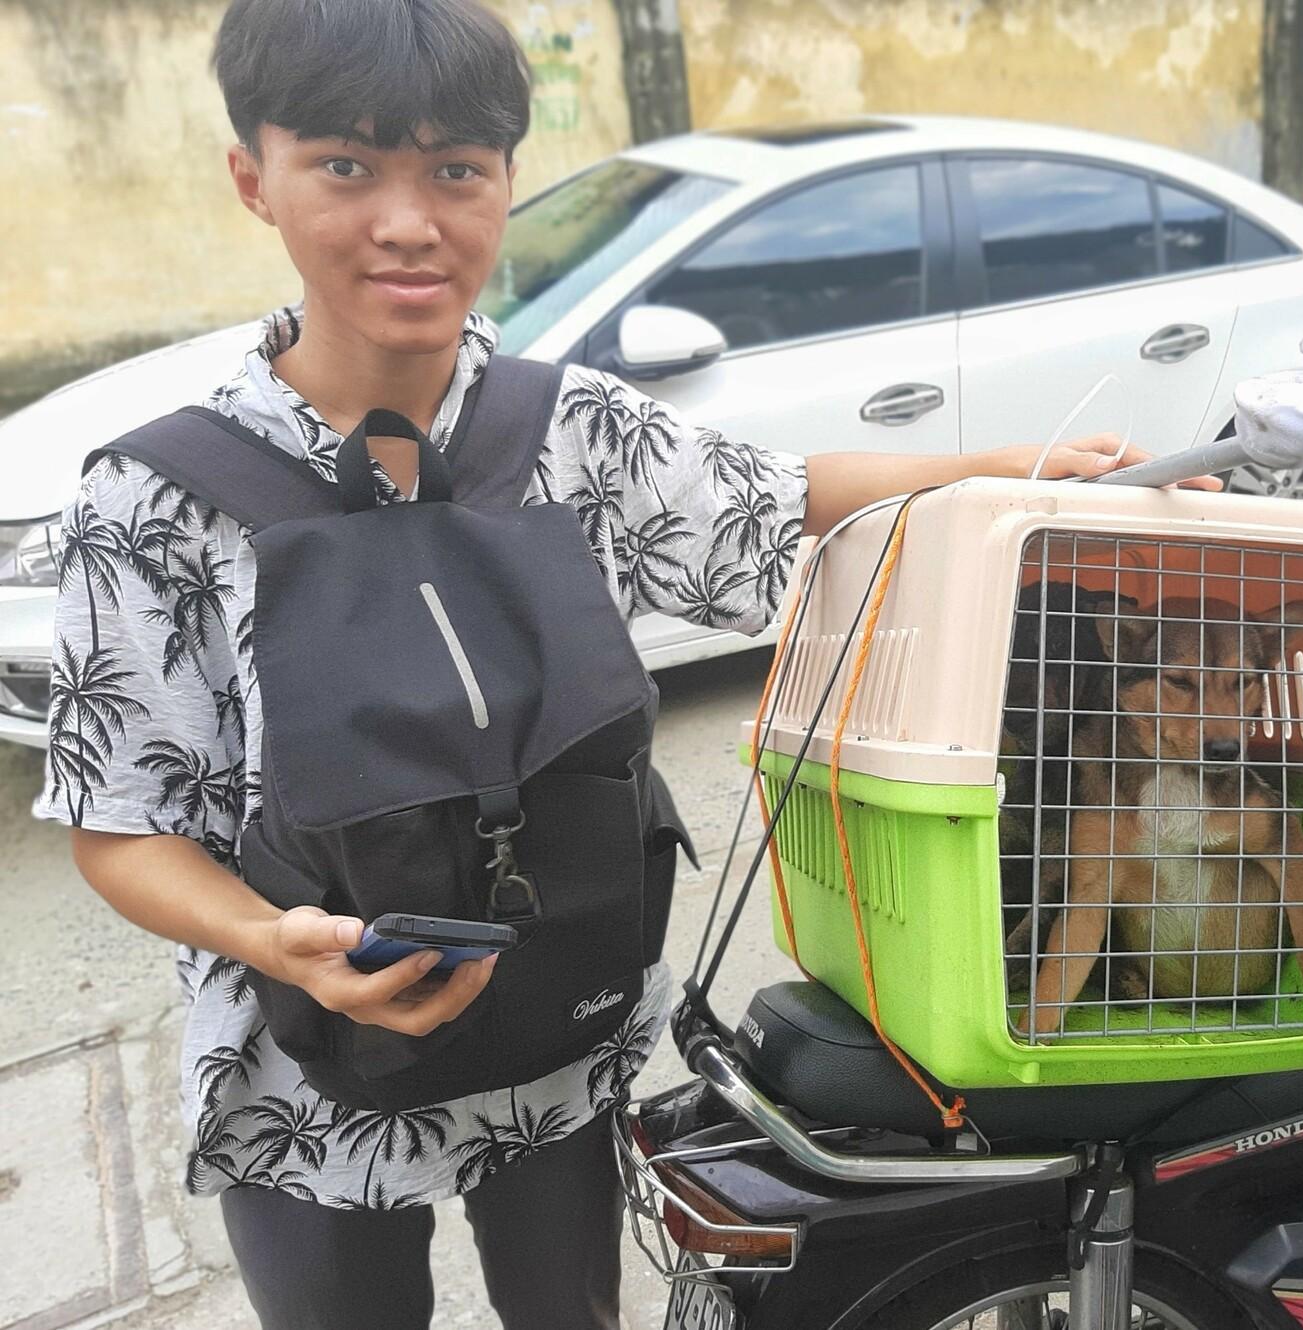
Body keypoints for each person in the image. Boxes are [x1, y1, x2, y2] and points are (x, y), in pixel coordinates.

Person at [33, 1, 1211, 1326]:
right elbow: (119, 822)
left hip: (553, 1031)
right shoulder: (158, 494)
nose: (409, 220)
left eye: (454, 170)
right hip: (306, 1070)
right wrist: (273, 940)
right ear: (255, 177)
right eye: (349, 166)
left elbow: (785, 495)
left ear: (505, 185)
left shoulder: (567, 429)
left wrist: (1007, 467)